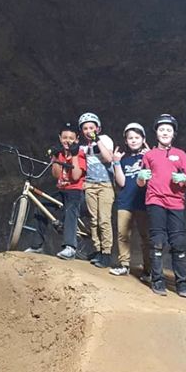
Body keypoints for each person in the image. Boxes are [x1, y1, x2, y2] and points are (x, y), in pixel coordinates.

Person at [141, 113, 186, 297]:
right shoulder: (149, 155)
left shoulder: (181, 154)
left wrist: (184, 178)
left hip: (175, 202)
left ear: (174, 133)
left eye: (168, 130)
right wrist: (141, 178)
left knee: (178, 243)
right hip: (155, 199)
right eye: (161, 129)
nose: (165, 132)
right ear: (156, 133)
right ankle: (158, 281)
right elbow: (142, 181)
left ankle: (182, 284)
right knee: (157, 241)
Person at [26, 123, 87, 259]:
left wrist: (75, 155)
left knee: (70, 210)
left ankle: (70, 247)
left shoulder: (80, 154)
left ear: (77, 139)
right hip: (62, 191)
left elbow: (76, 176)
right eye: (64, 137)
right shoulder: (59, 153)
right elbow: (56, 175)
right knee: (42, 207)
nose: (68, 141)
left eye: (71, 138)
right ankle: (37, 245)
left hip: (76, 192)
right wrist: (54, 159)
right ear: (60, 138)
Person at [109, 122, 152, 278]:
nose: (133, 140)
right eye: (130, 138)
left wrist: (150, 158)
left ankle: (149, 269)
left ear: (143, 139)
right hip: (126, 201)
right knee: (123, 234)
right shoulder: (123, 159)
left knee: (146, 235)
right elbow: (122, 182)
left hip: (144, 202)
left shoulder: (149, 156)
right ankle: (124, 265)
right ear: (126, 141)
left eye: (137, 137)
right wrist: (116, 162)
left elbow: (154, 178)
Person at [77, 112, 116, 267]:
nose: (88, 131)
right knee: (94, 221)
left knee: (104, 220)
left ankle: (107, 253)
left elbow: (108, 158)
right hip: (90, 185)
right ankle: (98, 250)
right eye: (85, 128)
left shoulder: (104, 139)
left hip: (105, 185)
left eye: (91, 127)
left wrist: (97, 140)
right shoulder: (82, 147)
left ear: (98, 128)